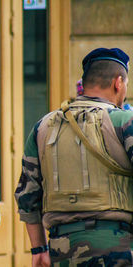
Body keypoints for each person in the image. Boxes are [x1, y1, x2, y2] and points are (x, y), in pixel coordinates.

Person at [15, 47, 133, 266]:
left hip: (62, 248)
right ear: (118, 83)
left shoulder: (43, 126)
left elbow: (27, 195)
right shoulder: (124, 121)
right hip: (118, 245)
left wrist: (38, 249)